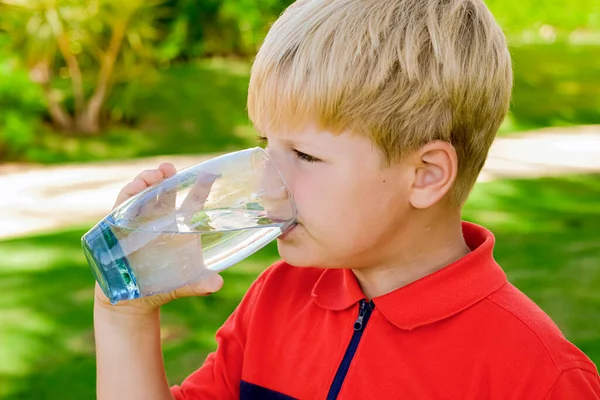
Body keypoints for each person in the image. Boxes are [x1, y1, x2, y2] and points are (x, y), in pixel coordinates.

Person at [94, 0, 600, 398]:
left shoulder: (537, 376)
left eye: (306, 157)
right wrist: (126, 316)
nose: (270, 182)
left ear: (425, 175)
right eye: (267, 146)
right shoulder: (277, 300)